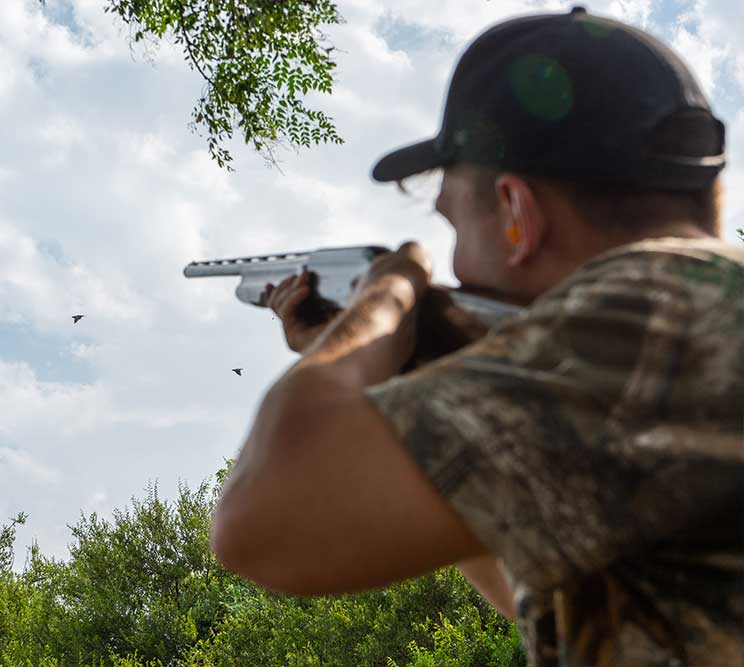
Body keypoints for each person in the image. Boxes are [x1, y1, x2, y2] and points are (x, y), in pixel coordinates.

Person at [208, 5, 743, 667]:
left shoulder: (657, 308)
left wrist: (387, 294)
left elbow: (266, 523)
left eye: (453, 224)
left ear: (517, 213)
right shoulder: (697, 322)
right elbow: (537, 595)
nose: (454, 261)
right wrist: (401, 371)